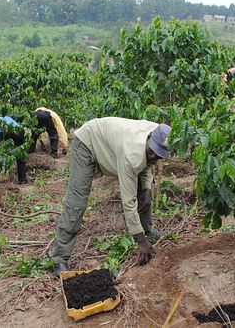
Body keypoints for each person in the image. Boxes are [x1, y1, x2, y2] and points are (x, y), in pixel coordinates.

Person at [50, 117, 171, 276]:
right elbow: (128, 202)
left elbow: (148, 163)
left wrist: (148, 189)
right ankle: (59, 257)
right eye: (152, 152)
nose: (155, 157)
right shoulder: (132, 153)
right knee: (77, 203)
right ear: (149, 139)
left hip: (112, 143)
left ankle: (146, 228)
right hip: (88, 143)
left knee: (144, 192)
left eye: (159, 155)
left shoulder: (159, 132)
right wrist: (140, 242)